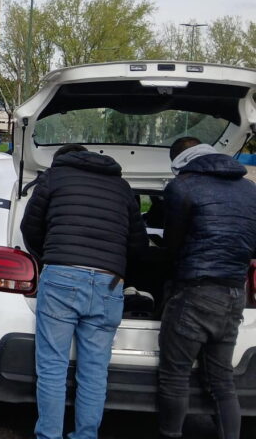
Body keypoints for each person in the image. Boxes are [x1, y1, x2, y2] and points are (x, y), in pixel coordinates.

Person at [20, 144, 147, 439]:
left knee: (53, 366)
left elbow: (30, 227)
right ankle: (85, 435)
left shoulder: (54, 177)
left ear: (60, 159)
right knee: (94, 371)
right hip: (109, 283)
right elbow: (138, 245)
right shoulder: (122, 186)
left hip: (62, 276)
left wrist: (47, 256)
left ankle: (49, 435)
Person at [157, 137, 256, 439]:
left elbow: (172, 245)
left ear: (179, 162)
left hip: (194, 292)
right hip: (233, 294)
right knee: (222, 379)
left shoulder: (183, 185)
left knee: (175, 376)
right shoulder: (249, 190)